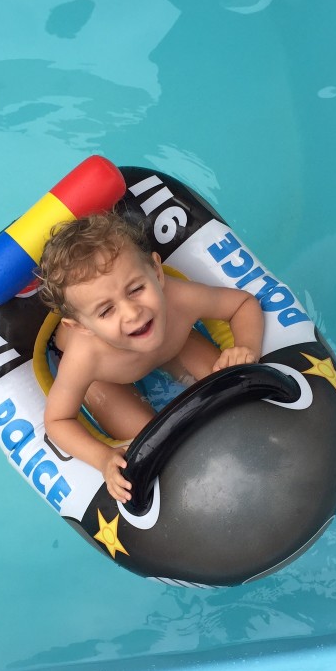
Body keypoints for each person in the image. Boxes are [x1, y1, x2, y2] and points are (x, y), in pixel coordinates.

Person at [38, 211, 265, 503]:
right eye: (106, 311)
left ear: (157, 273)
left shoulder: (179, 301)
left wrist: (246, 347)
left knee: (228, 381)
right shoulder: (85, 357)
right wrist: (103, 458)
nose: (132, 313)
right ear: (80, 326)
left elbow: (242, 304)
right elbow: (58, 419)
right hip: (107, 377)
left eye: (136, 289)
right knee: (148, 440)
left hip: (169, 339)